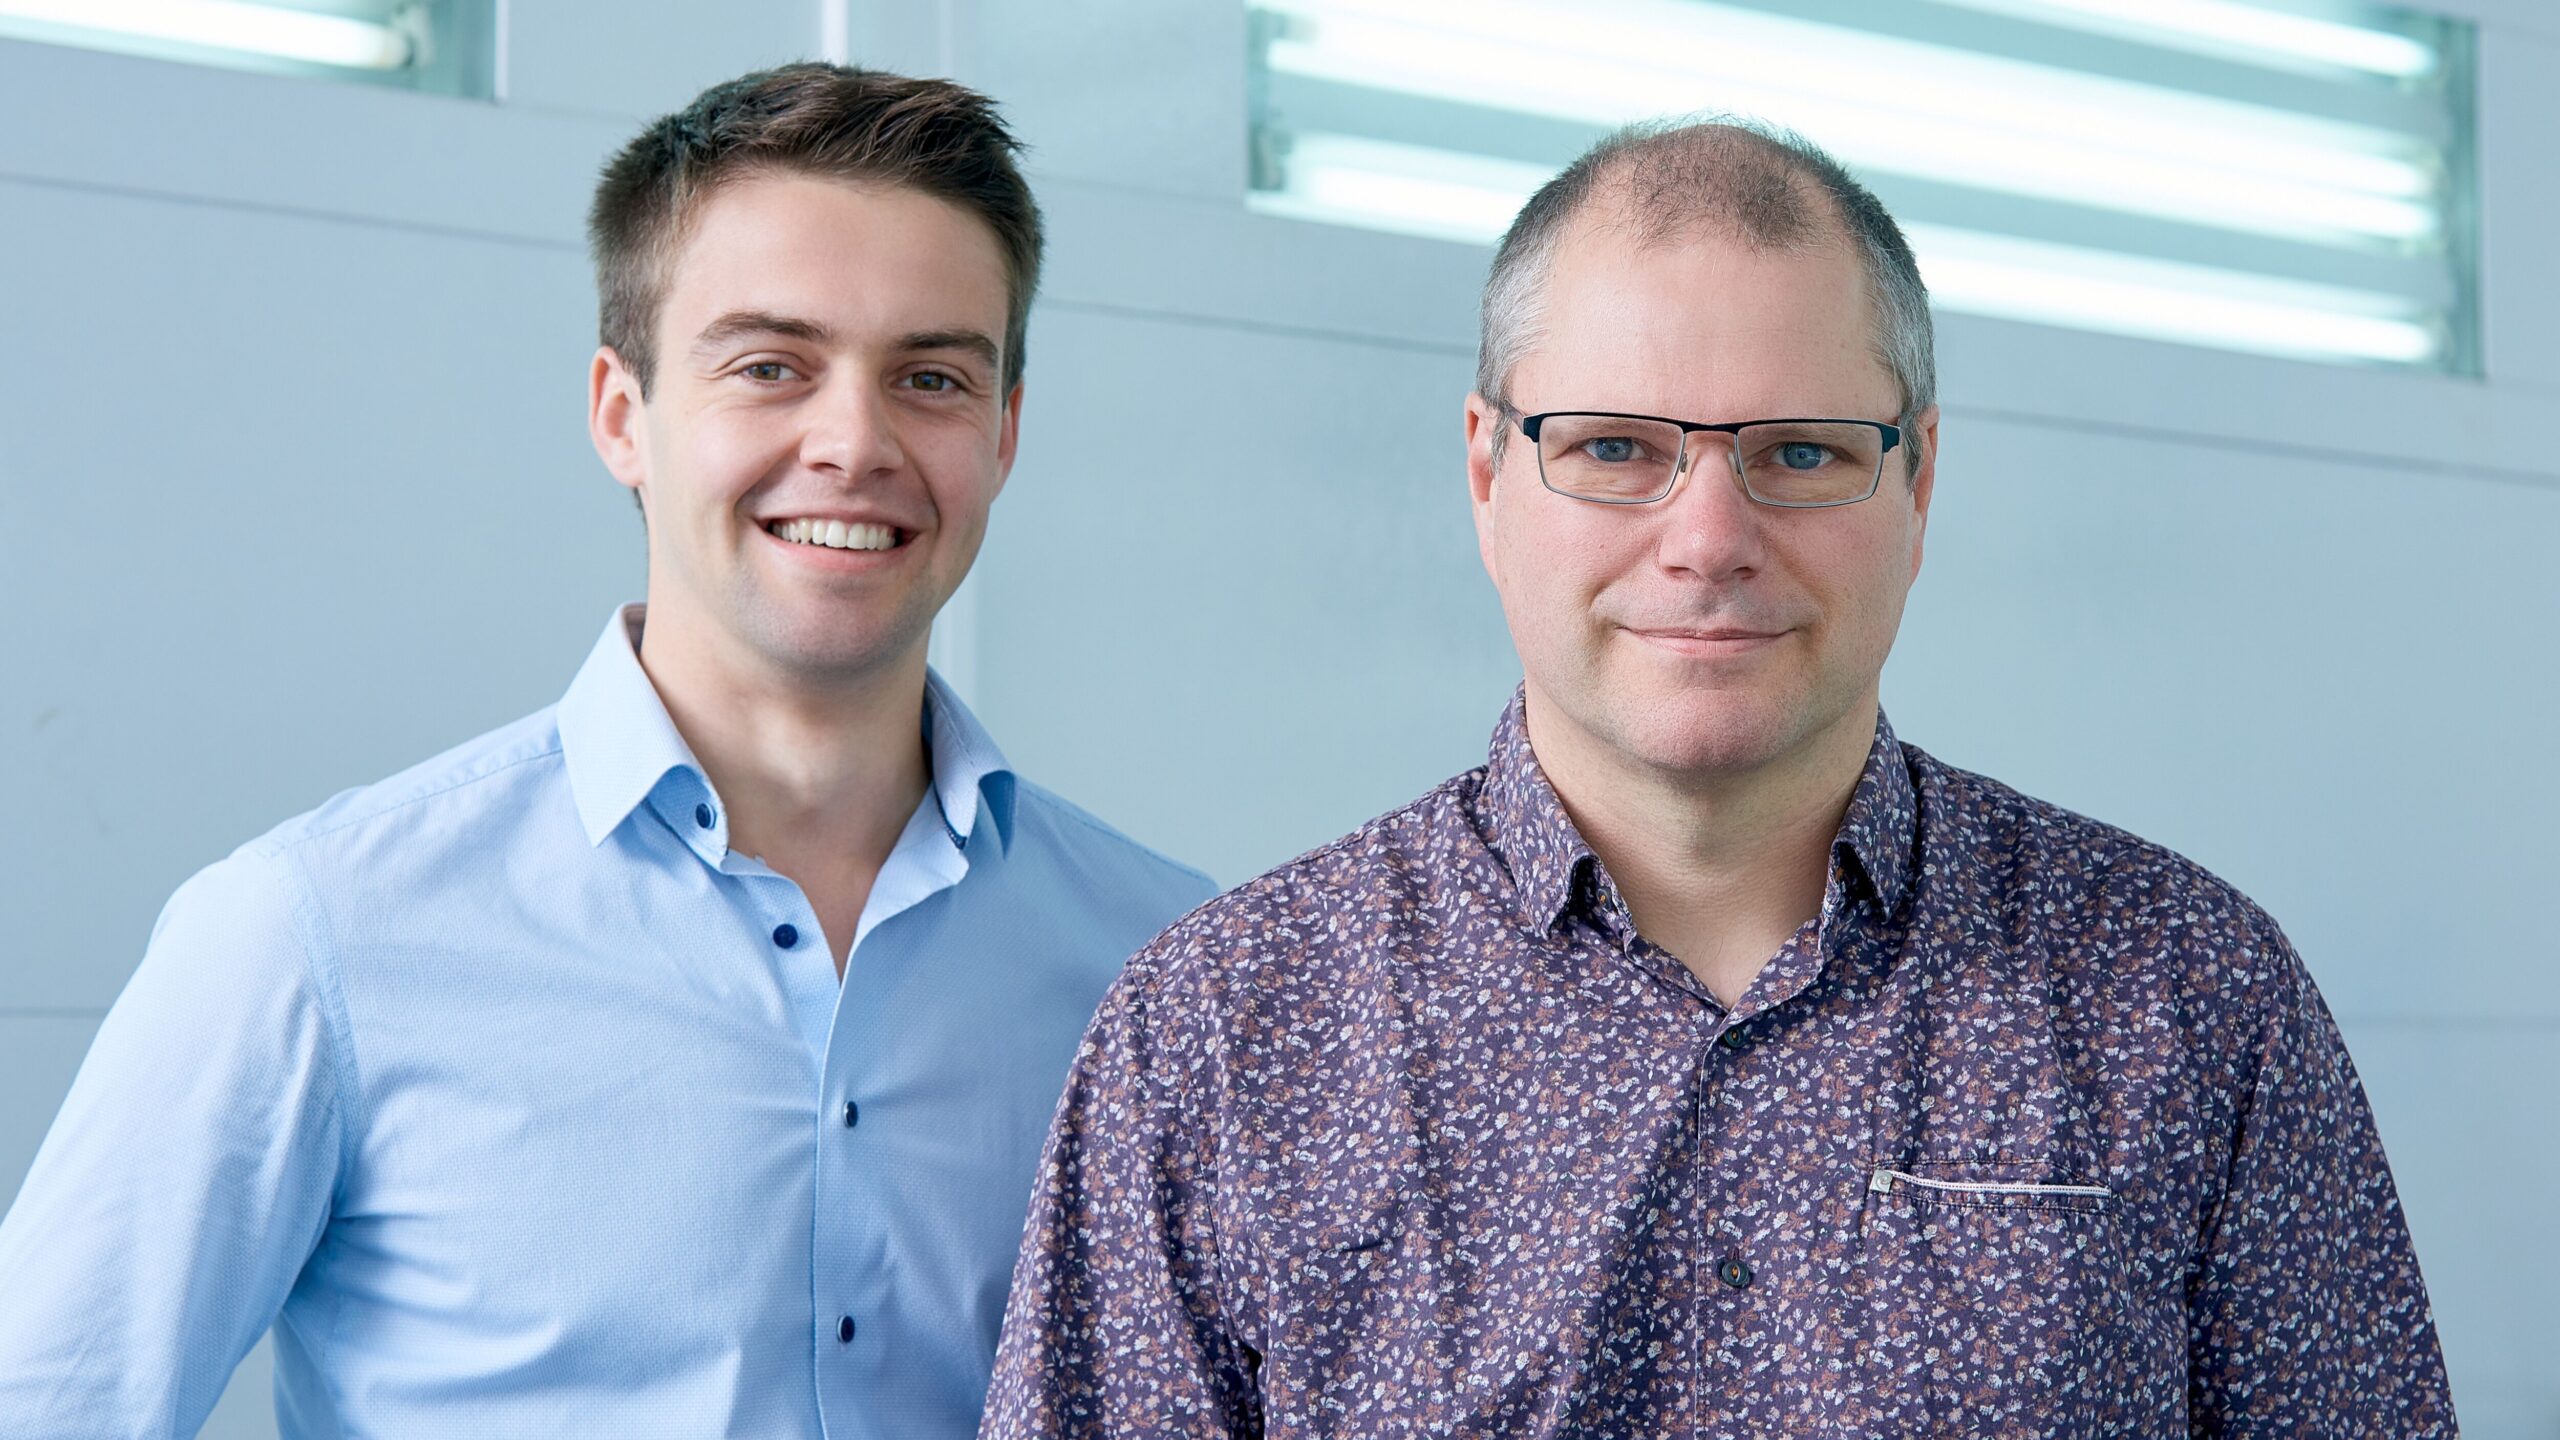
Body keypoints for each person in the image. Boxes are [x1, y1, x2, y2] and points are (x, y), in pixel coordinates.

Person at [981, 118, 2454, 1438]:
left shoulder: (2192, 997)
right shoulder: (1222, 1038)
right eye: (1616, 447)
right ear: (1487, 473)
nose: (1707, 537)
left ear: (1919, 480)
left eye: (1800, 453)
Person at [0, 63, 1213, 1440]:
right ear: (622, 413)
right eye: (772, 366)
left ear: (1001, 436)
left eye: (931, 378)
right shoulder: (313, 937)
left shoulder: (1169, 975)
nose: (853, 442)